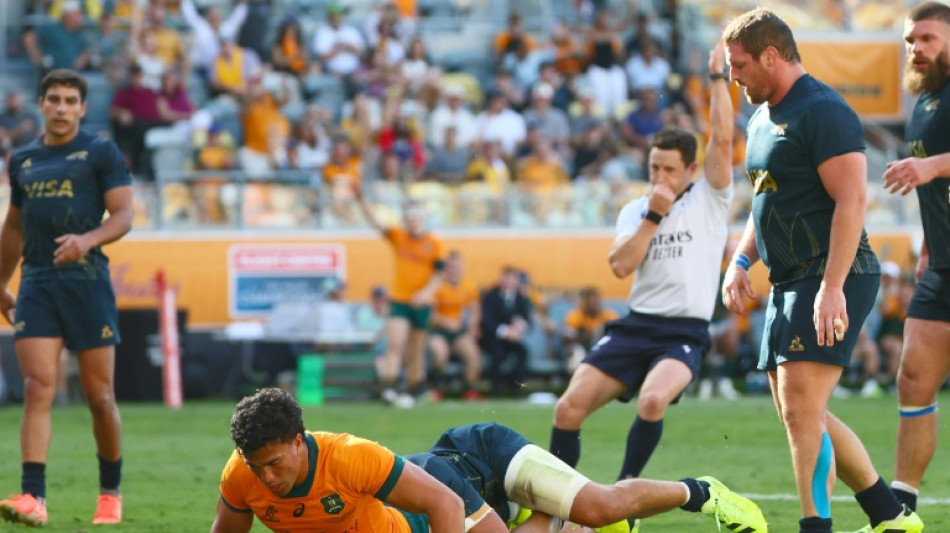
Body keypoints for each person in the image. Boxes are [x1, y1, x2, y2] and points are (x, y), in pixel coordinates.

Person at [719, 10, 923, 533]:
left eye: (739, 65)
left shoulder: (823, 110)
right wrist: (742, 260)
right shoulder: (762, 116)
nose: (733, 76)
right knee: (801, 412)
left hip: (835, 273)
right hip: (791, 280)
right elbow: (764, 200)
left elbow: (853, 201)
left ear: (771, 55)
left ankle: (817, 527)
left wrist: (831, 287)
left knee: (801, 411)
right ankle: (889, 517)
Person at [549, 39, 734, 489]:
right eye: (654, 168)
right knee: (566, 409)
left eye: (669, 170)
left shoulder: (709, 200)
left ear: (690, 170)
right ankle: (558, 503)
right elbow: (619, 266)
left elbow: (724, 137)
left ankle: (623, 494)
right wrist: (654, 213)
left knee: (652, 400)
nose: (659, 178)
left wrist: (716, 78)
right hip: (635, 325)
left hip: (683, 330)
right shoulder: (635, 210)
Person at [0, 69, 134, 527]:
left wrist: (87, 240)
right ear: (41, 104)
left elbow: (124, 216)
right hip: (37, 283)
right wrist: (1, 285)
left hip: (86, 281)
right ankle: (33, 497)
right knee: (38, 387)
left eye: (70, 100)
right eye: (53, 99)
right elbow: (14, 227)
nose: (61, 107)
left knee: (99, 396)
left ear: (81, 108)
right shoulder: (23, 159)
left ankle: (110, 493)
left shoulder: (101, 152)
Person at [408, 422, 767, 533]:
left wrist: (549, 510)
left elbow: (425, 470)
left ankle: (701, 492)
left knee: (601, 506)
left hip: (481, 455)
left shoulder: (377, 485)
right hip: (482, 508)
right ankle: (582, 520)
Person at [211, 388, 464, 533]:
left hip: (419, 517)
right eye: (255, 466)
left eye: (274, 464)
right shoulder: (239, 473)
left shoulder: (349, 456)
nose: (266, 478)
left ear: (298, 442)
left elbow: (446, 505)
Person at [880, 1, 950, 522]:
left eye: (926, 38)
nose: (916, 49)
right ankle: (902, 506)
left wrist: (931, 165)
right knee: (912, 379)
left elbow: (933, 174)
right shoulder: (925, 102)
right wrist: (928, 248)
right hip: (942, 265)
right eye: (910, 41)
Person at [355, 189, 445, 407]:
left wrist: (425, 293)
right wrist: (361, 199)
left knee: (416, 347)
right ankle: (389, 386)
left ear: (423, 219)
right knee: (395, 343)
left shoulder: (435, 243)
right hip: (400, 299)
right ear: (406, 219)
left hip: (422, 302)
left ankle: (414, 388)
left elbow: (439, 274)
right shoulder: (399, 237)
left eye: (418, 217)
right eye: (410, 217)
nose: (414, 221)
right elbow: (376, 222)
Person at [428, 250, 483, 401]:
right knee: (440, 354)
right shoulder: (437, 285)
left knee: (473, 354)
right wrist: (446, 322)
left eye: (457, 265)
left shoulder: (468, 285)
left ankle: (470, 389)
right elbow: (429, 313)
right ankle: (435, 389)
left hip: (458, 330)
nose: (454, 268)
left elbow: (475, 308)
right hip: (438, 330)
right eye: (451, 265)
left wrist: (472, 327)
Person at [479, 266, 533, 397]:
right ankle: (495, 389)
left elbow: (527, 319)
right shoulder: (491, 296)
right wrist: (505, 331)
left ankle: (517, 387)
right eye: (507, 277)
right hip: (493, 338)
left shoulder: (520, 298)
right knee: (497, 353)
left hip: (513, 339)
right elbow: (487, 321)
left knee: (523, 352)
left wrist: (520, 327)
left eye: (512, 278)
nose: (509, 281)